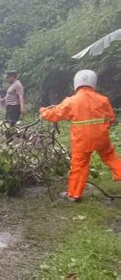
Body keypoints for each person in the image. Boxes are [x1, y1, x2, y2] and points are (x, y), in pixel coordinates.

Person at [39, 69, 121, 201]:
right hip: (101, 138)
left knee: (79, 165)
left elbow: (54, 114)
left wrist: (43, 111)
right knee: (111, 158)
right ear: (93, 82)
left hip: (82, 140)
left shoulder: (72, 101)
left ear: (76, 83)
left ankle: (74, 194)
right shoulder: (103, 100)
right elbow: (111, 118)